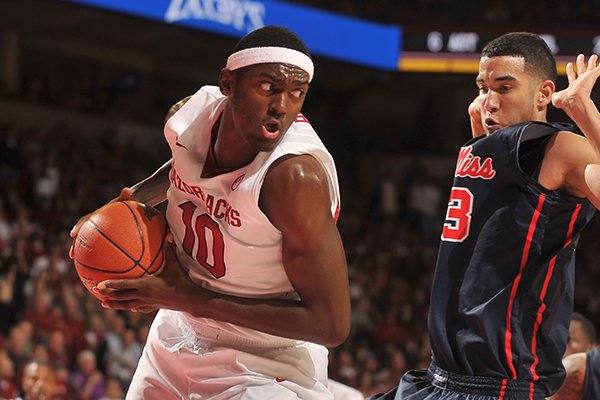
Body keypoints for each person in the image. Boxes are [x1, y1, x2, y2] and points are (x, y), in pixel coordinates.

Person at [70, 25, 351, 399]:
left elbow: (331, 325)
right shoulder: (187, 119)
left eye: (296, 94)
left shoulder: (292, 178)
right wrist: (125, 203)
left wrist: (187, 296)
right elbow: (179, 168)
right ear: (227, 83)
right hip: (178, 329)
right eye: (268, 87)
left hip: (266, 357)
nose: (281, 106)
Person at [378, 32, 600, 400]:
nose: (489, 102)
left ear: (544, 94)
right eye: (483, 88)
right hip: (439, 378)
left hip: (499, 386)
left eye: (504, 88)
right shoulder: (485, 145)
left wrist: (584, 111)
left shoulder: (558, 147)